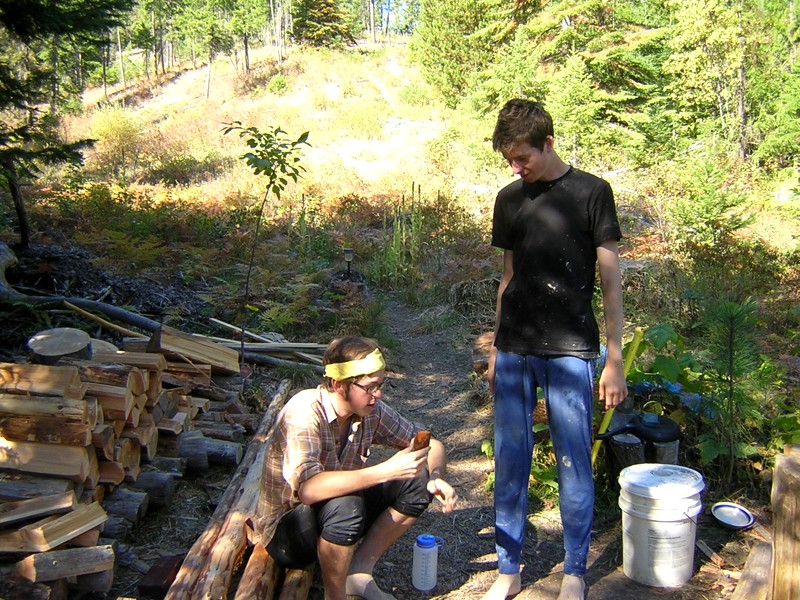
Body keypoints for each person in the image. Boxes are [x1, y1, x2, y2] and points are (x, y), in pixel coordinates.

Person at [481, 99, 628, 600]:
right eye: (509, 160)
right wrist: (495, 347)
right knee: (510, 460)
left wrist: (614, 358)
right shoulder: (508, 199)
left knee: (573, 463)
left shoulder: (592, 193)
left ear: (548, 143)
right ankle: (508, 571)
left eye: (522, 158)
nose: (515, 168)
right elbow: (508, 277)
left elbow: (610, 280)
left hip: (571, 350)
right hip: (515, 349)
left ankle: (574, 572)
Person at [256, 336, 458, 600]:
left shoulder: (370, 411)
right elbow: (308, 490)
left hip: (335, 516)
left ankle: (359, 572)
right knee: (346, 503)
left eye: (380, 385)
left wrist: (435, 477)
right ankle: (335, 596)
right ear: (338, 385)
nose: (378, 394)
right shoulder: (304, 412)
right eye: (369, 387)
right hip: (287, 534)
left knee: (417, 480)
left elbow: (433, 445)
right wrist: (386, 471)